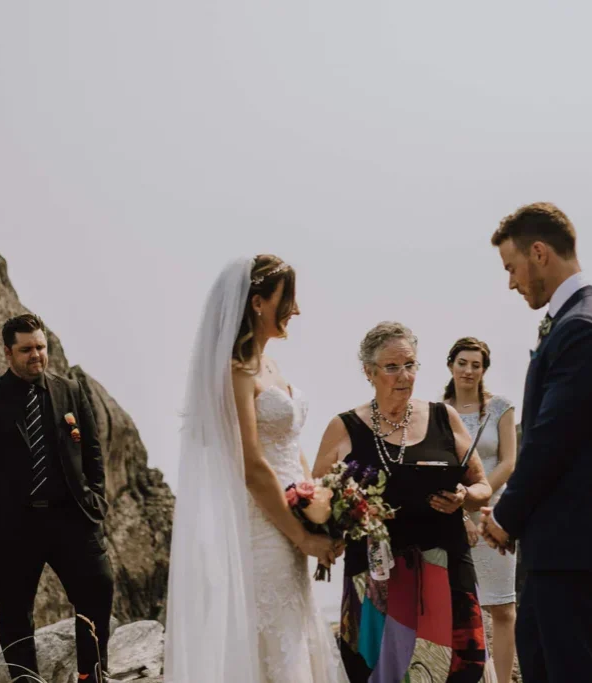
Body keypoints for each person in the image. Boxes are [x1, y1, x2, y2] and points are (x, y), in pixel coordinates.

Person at [164, 255, 342, 683]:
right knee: (274, 638)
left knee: (294, 631)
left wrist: (319, 504)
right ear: (258, 303)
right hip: (263, 523)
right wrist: (299, 534)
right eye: (288, 299)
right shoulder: (236, 372)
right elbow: (251, 464)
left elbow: (290, 446)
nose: (295, 310)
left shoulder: (271, 366)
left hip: (290, 510)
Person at [479, 202, 592, 683]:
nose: (510, 282)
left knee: (575, 671)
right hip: (558, 539)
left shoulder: (583, 327)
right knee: (545, 666)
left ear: (540, 253)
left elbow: (552, 438)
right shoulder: (579, 319)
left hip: (571, 534)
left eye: (512, 267)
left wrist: (506, 516)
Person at [314, 321, 496, 683]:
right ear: (369, 372)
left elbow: (482, 487)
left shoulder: (445, 417)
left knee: (458, 669)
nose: (405, 375)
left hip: (445, 563)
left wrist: (463, 497)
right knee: (377, 670)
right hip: (375, 572)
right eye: (392, 367)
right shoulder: (344, 426)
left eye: (411, 365)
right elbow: (319, 497)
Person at [0, 313, 115, 683]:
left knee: (98, 586)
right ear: (8, 353)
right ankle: (25, 680)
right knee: (15, 612)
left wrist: (96, 503)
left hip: (72, 518)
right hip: (13, 525)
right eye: (26, 349)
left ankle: (91, 675)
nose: (36, 356)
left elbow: (92, 452)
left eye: (40, 347)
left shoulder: (70, 390)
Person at [444, 337, 518, 683]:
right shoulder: (438, 412)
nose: (469, 370)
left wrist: (478, 499)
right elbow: (438, 471)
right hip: (452, 517)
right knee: (456, 608)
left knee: (503, 608)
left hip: (495, 516)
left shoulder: (501, 408)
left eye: (476, 364)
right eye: (462, 362)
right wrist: (461, 514)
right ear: (451, 366)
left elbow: (509, 461)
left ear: (484, 370)